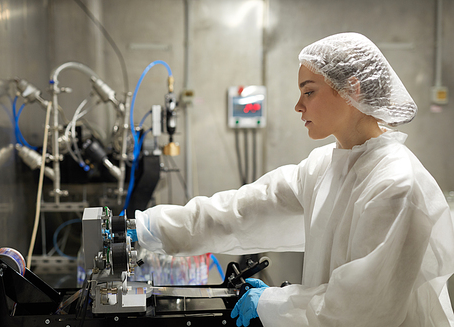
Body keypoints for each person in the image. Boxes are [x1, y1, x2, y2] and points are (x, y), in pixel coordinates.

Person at [132, 33, 454, 326]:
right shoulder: (324, 166)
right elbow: (242, 211)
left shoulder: (395, 184)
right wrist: (148, 228)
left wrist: (273, 303)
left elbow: (359, 312)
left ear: (352, 88)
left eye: (309, 92)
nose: (298, 106)